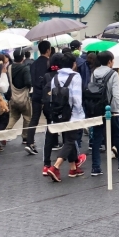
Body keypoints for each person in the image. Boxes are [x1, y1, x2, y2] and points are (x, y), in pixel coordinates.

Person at [89, 50, 119, 176]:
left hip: (97, 109)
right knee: (117, 136)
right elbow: (116, 94)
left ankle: (95, 167)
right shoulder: (113, 74)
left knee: (97, 137)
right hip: (112, 109)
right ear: (109, 61)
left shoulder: (94, 73)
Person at [43, 53, 86, 181]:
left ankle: (73, 168)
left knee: (68, 139)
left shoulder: (55, 78)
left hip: (58, 114)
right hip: (72, 114)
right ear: (73, 64)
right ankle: (55, 167)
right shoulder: (75, 76)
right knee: (70, 141)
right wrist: (81, 114)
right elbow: (77, 98)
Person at [25, 41, 53, 155]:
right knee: (50, 118)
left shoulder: (34, 63)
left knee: (34, 118)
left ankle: (29, 142)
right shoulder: (49, 63)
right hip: (47, 95)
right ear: (48, 50)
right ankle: (52, 141)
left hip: (35, 94)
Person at [7, 47, 33, 148]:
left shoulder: (9, 67)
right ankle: (25, 137)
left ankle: (5, 133)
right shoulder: (25, 68)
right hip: (23, 98)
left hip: (13, 97)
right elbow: (28, 82)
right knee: (27, 118)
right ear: (22, 57)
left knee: (13, 116)